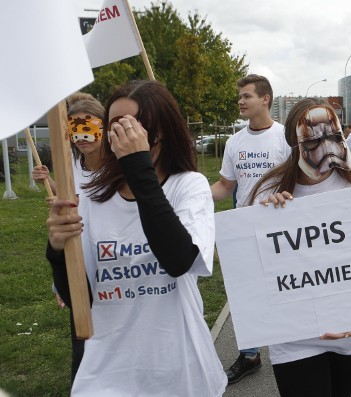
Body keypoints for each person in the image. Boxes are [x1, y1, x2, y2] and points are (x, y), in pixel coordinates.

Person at [45, 80, 227, 396]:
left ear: (160, 131)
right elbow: (80, 300)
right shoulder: (92, 197)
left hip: (179, 371)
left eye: (134, 125)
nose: (122, 135)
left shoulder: (188, 186)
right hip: (109, 372)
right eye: (115, 126)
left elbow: (178, 260)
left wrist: (138, 168)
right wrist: (57, 250)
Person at [249, 98, 351, 397]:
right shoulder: (269, 191)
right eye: (314, 140)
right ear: (296, 144)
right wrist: (265, 221)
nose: (327, 148)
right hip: (295, 334)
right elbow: (254, 268)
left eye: (334, 137)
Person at [210, 74, 291, 384]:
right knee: (245, 296)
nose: (241, 102)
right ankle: (250, 355)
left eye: (247, 96)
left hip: (280, 230)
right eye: (240, 97)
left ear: (265, 99)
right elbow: (225, 185)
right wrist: (189, 194)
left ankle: (292, 351)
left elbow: (299, 184)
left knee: (284, 289)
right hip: (243, 230)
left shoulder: (286, 138)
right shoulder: (235, 142)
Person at [31, 92, 105, 382]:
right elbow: (69, 198)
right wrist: (48, 181)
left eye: (88, 126)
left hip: (113, 271)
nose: (82, 135)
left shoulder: (119, 169)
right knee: (83, 352)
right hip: (79, 268)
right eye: (75, 128)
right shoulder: (71, 165)